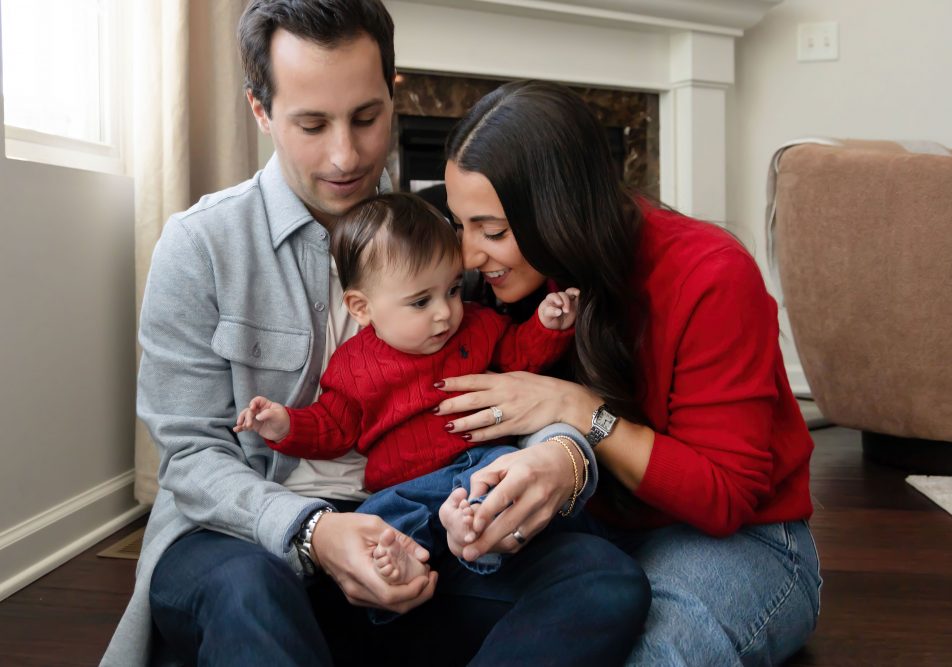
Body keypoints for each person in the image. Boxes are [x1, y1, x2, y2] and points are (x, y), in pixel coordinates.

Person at [103, 2, 649, 665]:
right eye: (311, 124)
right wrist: (314, 532)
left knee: (602, 579)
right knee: (248, 595)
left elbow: (526, 378)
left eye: (366, 118)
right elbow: (189, 454)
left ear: (393, 96)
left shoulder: (449, 238)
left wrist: (560, 453)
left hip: (427, 524)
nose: (345, 154)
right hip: (248, 537)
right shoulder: (200, 245)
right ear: (260, 110)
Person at [434, 79, 823, 666]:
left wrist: (577, 409)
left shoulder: (710, 276)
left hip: (741, 539)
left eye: (493, 232)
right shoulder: (513, 289)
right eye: (461, 226)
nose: (468, 255)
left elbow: (725, 497)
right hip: (599, 534)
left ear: (558, 211)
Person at [234, 192, 581, 586]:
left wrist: (547, 326)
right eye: (420, 302)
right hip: (403, 485)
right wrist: (284, 426)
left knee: (506, 480)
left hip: (480, 459)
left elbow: (520, 355)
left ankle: (470, 531)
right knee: (382, 520)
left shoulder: (478, 325)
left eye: (452, 289)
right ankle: (402, 568)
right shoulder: (354, 365)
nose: (445, 313)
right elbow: (334, 425)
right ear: (361, 308)